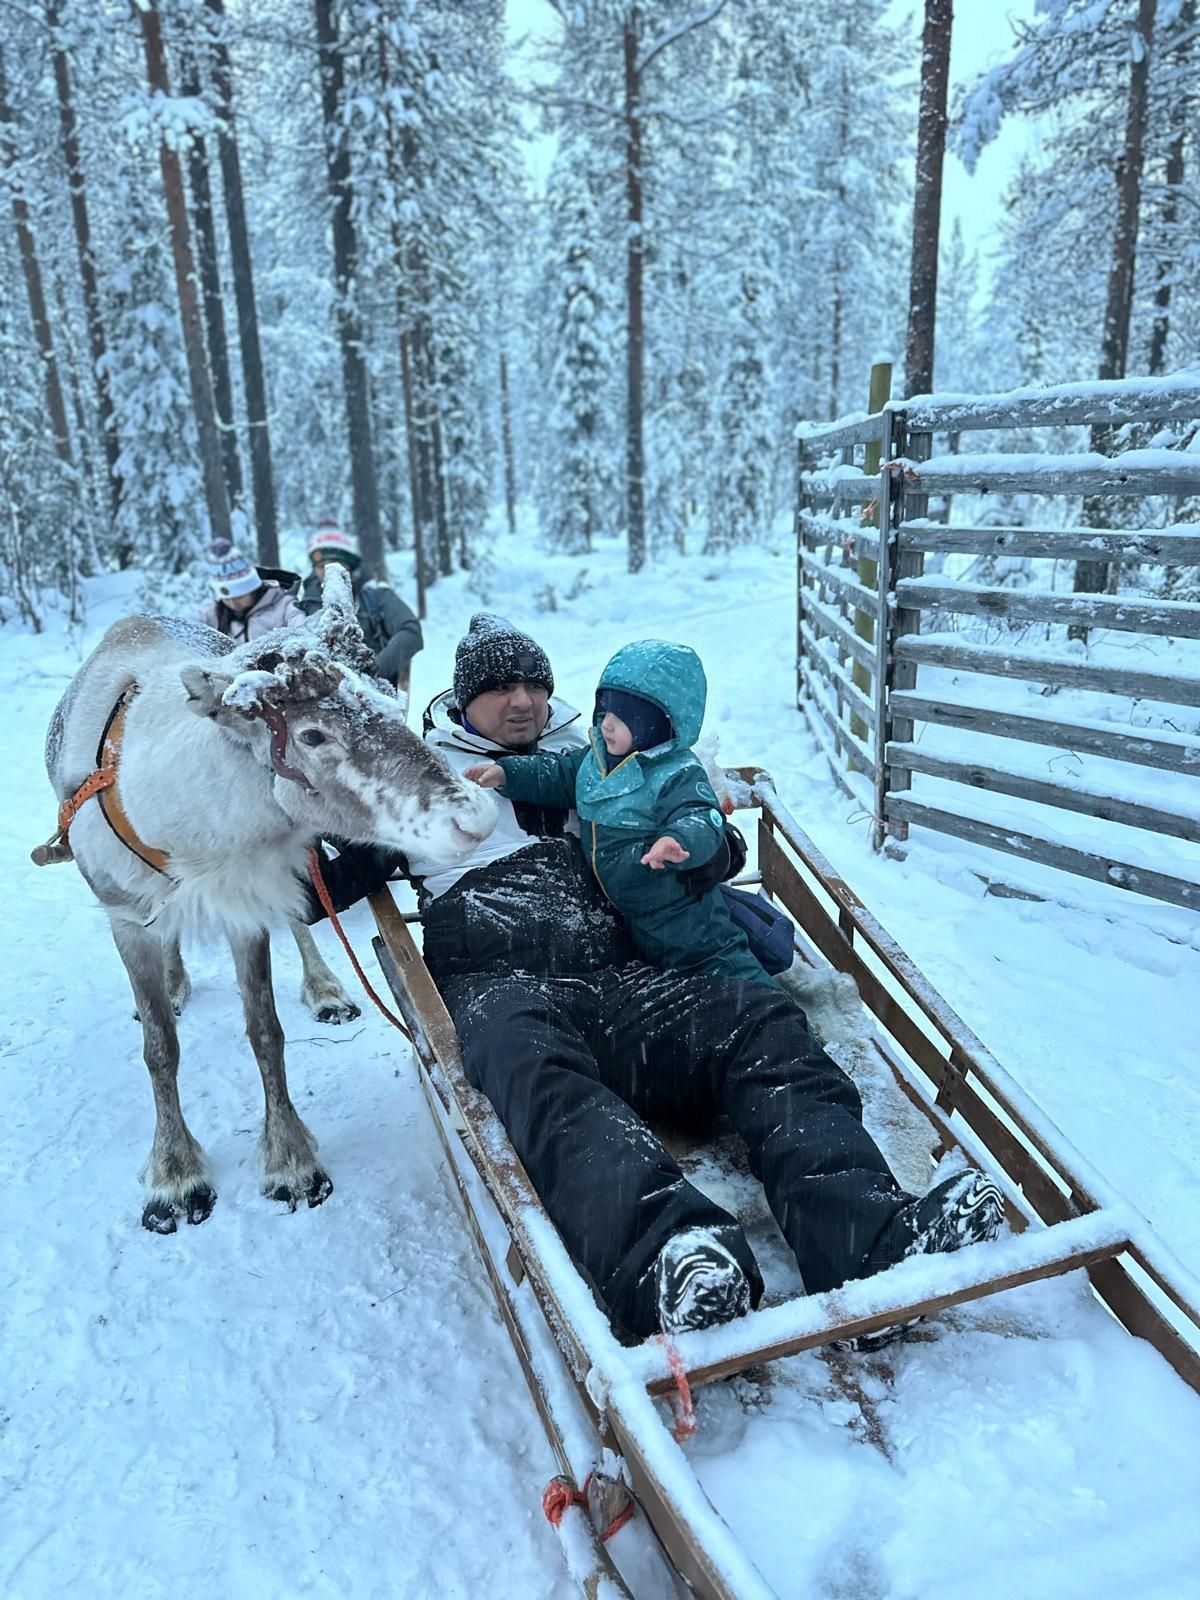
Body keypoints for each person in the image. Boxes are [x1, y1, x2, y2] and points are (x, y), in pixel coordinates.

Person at [307, 613, 1004, 1344]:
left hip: (619, 979)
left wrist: (710, 854)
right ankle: (670, 1257)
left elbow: (702, 817)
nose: (523, 702)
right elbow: (309, 891)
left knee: (759, 1020)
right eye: (501, 687)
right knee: (536, 1073)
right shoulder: (415, 780)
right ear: (462, 697)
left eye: (535, 686)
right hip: (503, 983)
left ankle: (866, 1241)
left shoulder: (601, 757)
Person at [465, 639, 769, 986]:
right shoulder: (595, 760)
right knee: (678, 983)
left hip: (678, 910)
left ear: (658, 725)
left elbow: (699, 814)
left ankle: (785, 1025)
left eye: (623, 719)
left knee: (724, 969)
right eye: (605, 711)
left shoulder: (676, 773)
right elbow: (559, 774)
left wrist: (677, 839)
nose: (606, 724)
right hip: (630, 915)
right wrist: (508, 774)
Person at [299, 518, 423, 693]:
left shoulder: (376, 595)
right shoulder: (305, 602)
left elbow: (411, 632)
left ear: (349, 566)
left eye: (336, 564)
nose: (328, 572)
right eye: (321, 566)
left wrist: (372, 672)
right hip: (318, 698)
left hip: (372, 695)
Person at [198, 540, 305, 643]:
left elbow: (302, 635)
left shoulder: (284, 606)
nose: (233, 603)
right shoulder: (216, 613)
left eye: (239, 597)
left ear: (253, 589)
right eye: (226, 599)